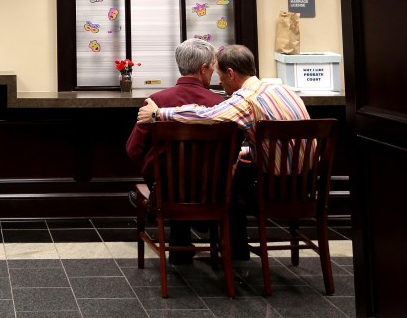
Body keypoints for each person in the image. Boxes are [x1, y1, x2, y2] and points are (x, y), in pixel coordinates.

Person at [136, 44, 310, 259]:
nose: (218, 81)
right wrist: (247, 154)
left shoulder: (244, 100)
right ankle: (230, 244)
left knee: (229, 188)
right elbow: (278, 145)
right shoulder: (282, 89)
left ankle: (231, 246)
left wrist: (158, 113)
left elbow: (206, 116)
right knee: (234, 168)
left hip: (271, 190)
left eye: (219, 74)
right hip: (306, 186)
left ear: (230, 73)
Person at [125, 38, 226, 263]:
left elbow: (133, 149)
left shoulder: (156, 102)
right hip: (211, 191)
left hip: (167, 190)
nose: (214, 73)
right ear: (203, 69)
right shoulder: (219, 104)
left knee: (171, 180)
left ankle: (171, 228)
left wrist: (155, 167)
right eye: (212, 67)